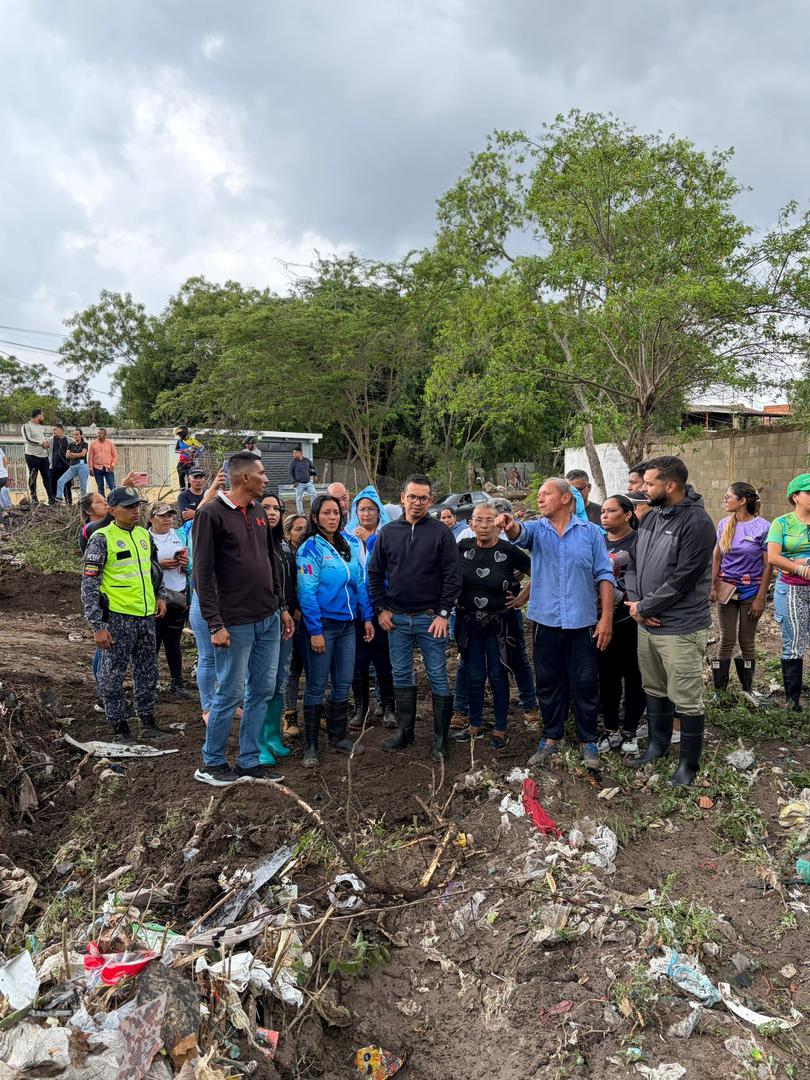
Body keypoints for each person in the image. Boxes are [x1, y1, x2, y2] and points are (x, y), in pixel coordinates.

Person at [192, 451, 294, 786]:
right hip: (234, 624)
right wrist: (215, 623)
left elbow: (271, 561)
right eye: (262, 473)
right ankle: (212, 762)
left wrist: (280, 607)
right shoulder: (211, 514)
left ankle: (249, 761)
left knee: (262, 690)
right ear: (244, 478)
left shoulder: (259, 513)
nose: (267, 479)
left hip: (267, 618)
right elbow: (202, 575)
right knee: (230, 692)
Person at [498, 479, 614, 770]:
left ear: (565, 498)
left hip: (581, 623)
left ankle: (588, 740)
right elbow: (519, 534)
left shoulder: (590, 534)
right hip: (545, 623)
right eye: (537, 495)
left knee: (585, 683)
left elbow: (604, 575)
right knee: (549, 684)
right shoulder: (537, 530)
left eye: (545, 494)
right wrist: (509, 525)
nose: (539, 499)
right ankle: (552, 736)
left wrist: (607, 619)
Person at [625, 456, 716, 786]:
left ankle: (688, 766)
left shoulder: (697, 523)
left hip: (679, 627)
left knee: (687, 697)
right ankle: (657, 745)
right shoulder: (651, 517)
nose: (643, 488)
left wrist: (645, 606)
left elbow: (683, 579)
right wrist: (636, 603)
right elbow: (633, 561)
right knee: (654, 687)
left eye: (649, 484)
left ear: (671, 485)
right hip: (646, 623)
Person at [368, 474, 461, 761]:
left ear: (430, 501)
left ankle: (441, 739)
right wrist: (381, 609)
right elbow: (373, 574)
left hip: (430, 618)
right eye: (412, 497)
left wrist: (444, 613)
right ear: (402, 497)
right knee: (402, 674)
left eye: (423, 498)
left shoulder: (440, 533)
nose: (417, 502)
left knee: (436, 675)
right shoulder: (388, 533)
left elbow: (452, 575)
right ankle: (405, 733)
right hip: (396, 619)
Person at [80, 486, 169, 743]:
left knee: (147, 671)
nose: (135, 511)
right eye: (129, 507)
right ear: (112, 510)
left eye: (137, 506)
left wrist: (160, 595)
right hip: (118, 618)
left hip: (145, 617)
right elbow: (88, 585)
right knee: (113, 674)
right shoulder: (101, 538)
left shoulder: (143, 535)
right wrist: (97, 626)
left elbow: (153, 569)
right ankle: (119, 729)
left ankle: (148, 723)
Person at [296, 495, 374, 767]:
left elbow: (361, 584)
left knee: (343, 683)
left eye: (337, 513)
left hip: (347, 626)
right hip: (323, 626)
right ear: (315, 517)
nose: (333, 517)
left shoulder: (351, 544)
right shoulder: (309, 549)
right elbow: (306, 592)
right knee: (317, 685)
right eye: (326, 513)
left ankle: (338, 736)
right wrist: (314, 630)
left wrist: (366, 617)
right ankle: (311, 746)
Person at [452, 496, 540, 729]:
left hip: (500, 623)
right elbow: (443, 572)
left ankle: (502, 726)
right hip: (468, 622)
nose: (483, 525)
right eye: (478, 520)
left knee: (499, 671)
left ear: (497, 524)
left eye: (489, 520)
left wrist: (522, 598)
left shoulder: (509, 550)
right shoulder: (462, 547)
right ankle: (473, 721)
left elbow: (537, 570)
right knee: (473, 671)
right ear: (470, 524)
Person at [710, 483, 772, 701]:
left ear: (742, 500)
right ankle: (720, 692)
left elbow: (768, 565)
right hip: (727, 590)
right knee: (726, 639)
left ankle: (747, 689)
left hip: (751, 592)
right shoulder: (724, 524)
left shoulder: (763, 527)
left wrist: (760, 597)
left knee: (747, 640)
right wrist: (713, 584)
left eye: (728, 497)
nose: (725, 500)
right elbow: (717, 555)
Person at [597, 495, 645, 754]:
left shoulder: (639, 541)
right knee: (607, 676)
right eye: (602, 511)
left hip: (632, 619)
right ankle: (611, 729)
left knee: (634, 675)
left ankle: (630, 731)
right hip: (602, 619)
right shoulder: (598, 541)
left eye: (611, 510)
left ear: (627, 514)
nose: (604, 515)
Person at [346, 486, 395, 730]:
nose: (366, 514)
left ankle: (388, 707)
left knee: (383, 658)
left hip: (381, 608)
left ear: (378, 512)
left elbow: (389, 569)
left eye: (371, 509)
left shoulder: (387, 536)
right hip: (354, 611)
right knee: (359, 660)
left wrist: (371, 541)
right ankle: (360, 709)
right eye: (361, 509)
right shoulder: (347, 537)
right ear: (356, 511)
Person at [257, 493, 297, 764]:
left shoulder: (283, 545)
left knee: (279, 677)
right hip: (262, 619)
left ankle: (273, 735)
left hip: (285, 620)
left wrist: (291, 610)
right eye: (266, 507)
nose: (272, 512)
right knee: (260, 680)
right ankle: (257, 741)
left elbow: (290, 581)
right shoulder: (253, 543)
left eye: (276, 508)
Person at [767, 473, 810, 712]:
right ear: (795, 497)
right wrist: (801, 568)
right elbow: (773, 557)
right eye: (809, 492)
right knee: (793, 642)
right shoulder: (781, 523)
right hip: (792, 588)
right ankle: (792, 701)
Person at [148, 502, 192, 699]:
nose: (167, 519)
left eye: (170, 515)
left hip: (179, 592)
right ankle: (149, 683)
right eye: (162, 516)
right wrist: (158, 565)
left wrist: (186, 562)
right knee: (153, 642)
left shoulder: (179, 535)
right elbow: (139, 566)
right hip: (156, 596)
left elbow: (192, 562)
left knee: (173, 641)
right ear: (151, 518)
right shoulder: (145, 537)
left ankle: (177, 682)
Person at [282, 513, 309, 736]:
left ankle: (316, 713)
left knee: (314, 668)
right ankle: (289, 715)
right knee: (292, 671)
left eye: (305, 528)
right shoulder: (284, 555)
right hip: (291, 618)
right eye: (297, 529)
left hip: (312, 619)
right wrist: (295, 611)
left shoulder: (312, 550)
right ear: (288, 532)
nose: (301, 533)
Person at [21, 407, 53, 506]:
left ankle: (51, 499)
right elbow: (27, 439)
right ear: (38, 415)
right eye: (42, 415)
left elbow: (42, 438)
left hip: (43, 456)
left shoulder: (40, 427)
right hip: (32, 456)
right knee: (33, 476)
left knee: (47, 477)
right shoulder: (26, 426)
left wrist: (46, 442)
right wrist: (41, 443)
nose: (43, 417)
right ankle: (34, 498)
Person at [57, 428, 89, 501]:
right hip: (72, 467)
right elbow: (67, 455)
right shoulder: (70, 445)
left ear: (81, 435)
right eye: (74, 434)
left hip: (82, 466)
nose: (75, 436)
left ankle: (82, 502)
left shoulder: (84, 444)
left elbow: (83, 454)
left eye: (77, 434)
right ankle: (59, 498)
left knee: (82, 486)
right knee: (60, 481)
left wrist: (73, 454)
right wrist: (77, 455)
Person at [88, 428, 118, 495]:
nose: (99, 435)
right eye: (98, 433)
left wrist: (112, 465)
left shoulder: (110, 444)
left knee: (112, 486)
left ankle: (115, 502)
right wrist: (90, 468)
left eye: (100, 433)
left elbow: (115, 456)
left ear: (105, 435)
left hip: (108, 468)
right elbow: (90, 457)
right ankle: (103, 503)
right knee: (100, 487)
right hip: (97, 468)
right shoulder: (93, 444)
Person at [290, 447, 318, 514]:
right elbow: (290, 473)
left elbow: (313, 467)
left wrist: (315, 475)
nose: (294, 454)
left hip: (308, 483)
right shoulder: (293, 463)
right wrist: (294, 482)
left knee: (314, 494)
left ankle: (313, 511)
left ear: (300, 453)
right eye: (293, 453)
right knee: (299, 499)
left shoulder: (307, 460)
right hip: (299, 484)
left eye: (296, 452)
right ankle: (300, 513)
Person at [50, 424, 72, 505]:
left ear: (61, 430)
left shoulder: (69, 441)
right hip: (53, 467)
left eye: (55, 429)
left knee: (67, 485)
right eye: (53, 430)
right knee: (53, 485)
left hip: (66, 467)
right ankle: (54, 503)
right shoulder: (50, 440)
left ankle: (68, 502)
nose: (53, 431)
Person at [0, 446, 12, 512]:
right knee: (4, 490)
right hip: (3, 476)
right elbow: (6, 461)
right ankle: (7, 508)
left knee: (3, 491)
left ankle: (5, 509)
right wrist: (4, 472)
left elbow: (6, 461)